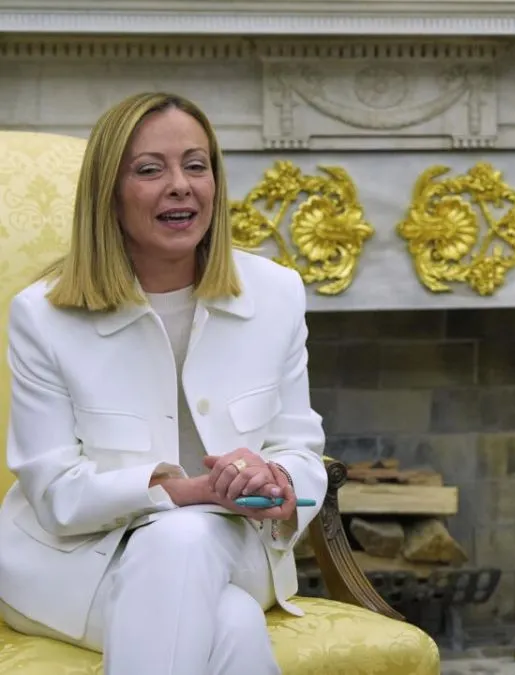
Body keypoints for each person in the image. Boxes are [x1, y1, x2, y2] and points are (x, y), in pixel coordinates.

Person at [0, 92, 327, 674]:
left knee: (182, 542)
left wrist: (273, 478)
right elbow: (56, 494)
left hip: (232, 546)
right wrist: (192, 491)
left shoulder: (276, 293)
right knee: (229, 621)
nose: (180, 186)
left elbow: (300, 450)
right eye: (150, 170)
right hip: (75, 566)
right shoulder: (43, 314)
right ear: (109, 192)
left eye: (196, 166)